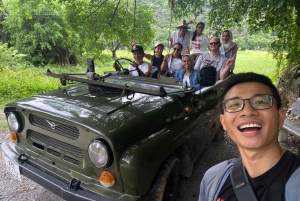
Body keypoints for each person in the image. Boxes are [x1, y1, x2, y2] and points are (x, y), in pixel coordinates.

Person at [199, 72, 300, 201]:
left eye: (260, 102)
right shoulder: (213, 179)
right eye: (234, 104)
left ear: (280, 116)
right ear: (223, 122)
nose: (247, 112)